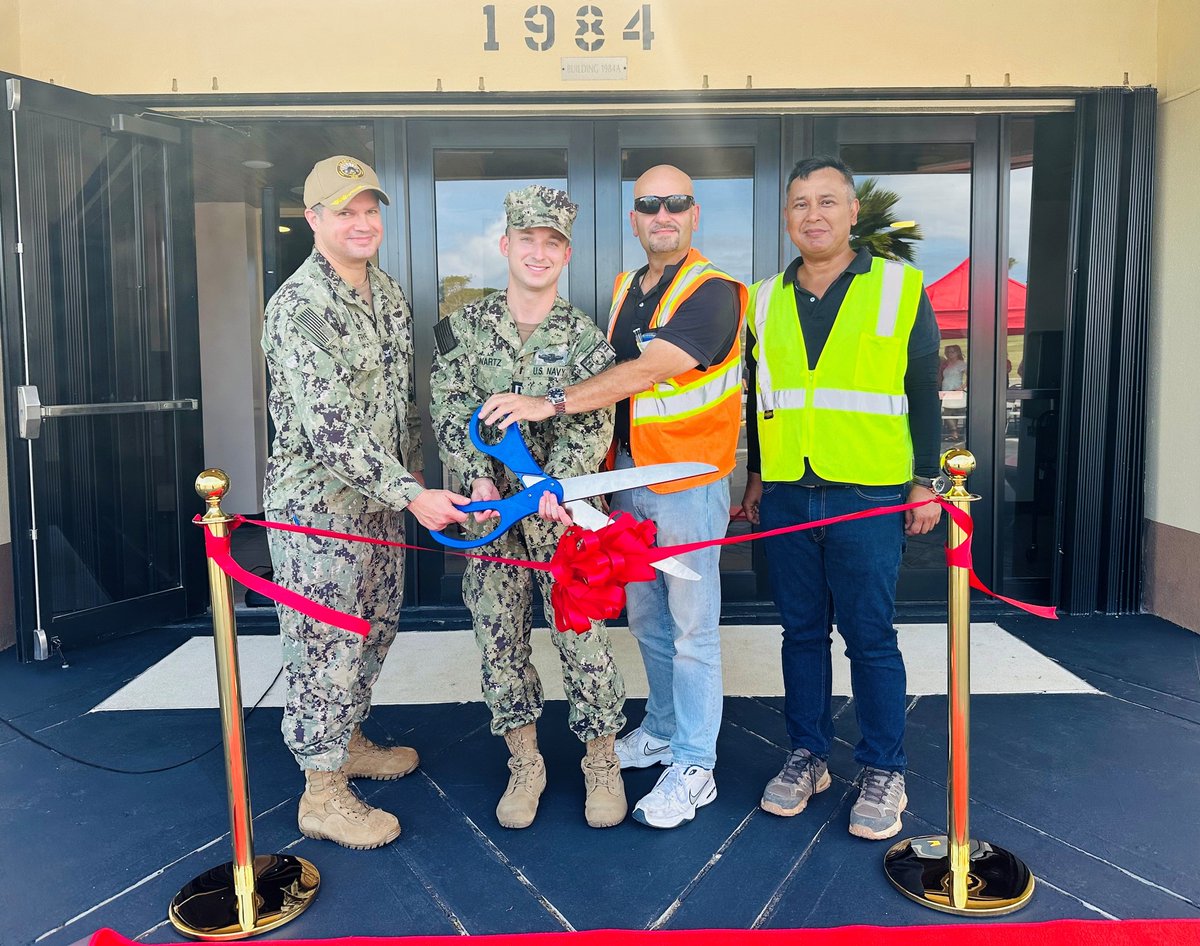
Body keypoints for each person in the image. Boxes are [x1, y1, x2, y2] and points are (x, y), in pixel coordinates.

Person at [479, 165, 747, 830]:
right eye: (648, 204)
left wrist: (550, 404)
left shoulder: (716, 293)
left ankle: (695, 765)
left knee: (692, 629)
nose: (662, 214)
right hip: (625, 478)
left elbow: (650, 370)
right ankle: (659, 729)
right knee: (649, 620)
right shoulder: (629, 287)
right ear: (634, 219)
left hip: (686, 484)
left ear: (694, 213)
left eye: (675, 203)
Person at [261, 155, 470, 850]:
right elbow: (332, 435)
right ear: (314, 219)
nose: (361, 222)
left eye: (369, 209)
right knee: (325, 646)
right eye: (343, 211)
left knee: (372, 631)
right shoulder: (299, 307)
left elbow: (399, 406)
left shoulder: (386, 292)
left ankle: (346, 743)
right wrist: (414, 493)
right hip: (319, 516)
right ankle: (321, 792)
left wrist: (409, 481)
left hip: (379, 508)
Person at [740, 156, 943, 841]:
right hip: (791, 492)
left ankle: (884, 765)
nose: (814, 214)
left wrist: (923, 479)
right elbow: (758, 398)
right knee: (799, 634)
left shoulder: (899, 286)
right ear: (787, 215)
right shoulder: (763, 298)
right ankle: (808, 754)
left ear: (853, 211)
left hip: (869, 489)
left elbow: (922, 392)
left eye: (828, 201)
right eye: (800, 203)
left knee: (870, 637)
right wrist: (758, 476)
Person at [429, 185, 628, 831]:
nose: (539, 253)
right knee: (499, 637)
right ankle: (526, 763)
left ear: (565, 254)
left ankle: (601, 761)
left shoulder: (586, 339)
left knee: (584, 641)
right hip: (491, 520)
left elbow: (594, 419)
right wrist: (477, 481)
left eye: (552, 243)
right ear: (505, 245)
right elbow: (451, 410)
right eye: (528, 240)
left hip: (561, 519)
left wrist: (553, 487)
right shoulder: (463, 329)